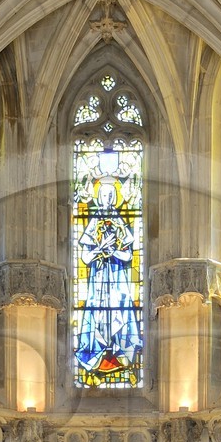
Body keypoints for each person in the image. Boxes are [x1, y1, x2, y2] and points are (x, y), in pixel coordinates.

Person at [75, 156, 142, 382]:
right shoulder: (93, 222)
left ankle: (120, 353)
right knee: (98, 312)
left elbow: (128, 254)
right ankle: (98, 355)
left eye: (110, 195)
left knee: (119, 311)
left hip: (117, 278)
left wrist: (112, 251)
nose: (107, 199)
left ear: (114, 196)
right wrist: (99, 250)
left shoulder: (121, 223)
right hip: (99, 277)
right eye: (103, 195)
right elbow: (85, 256)